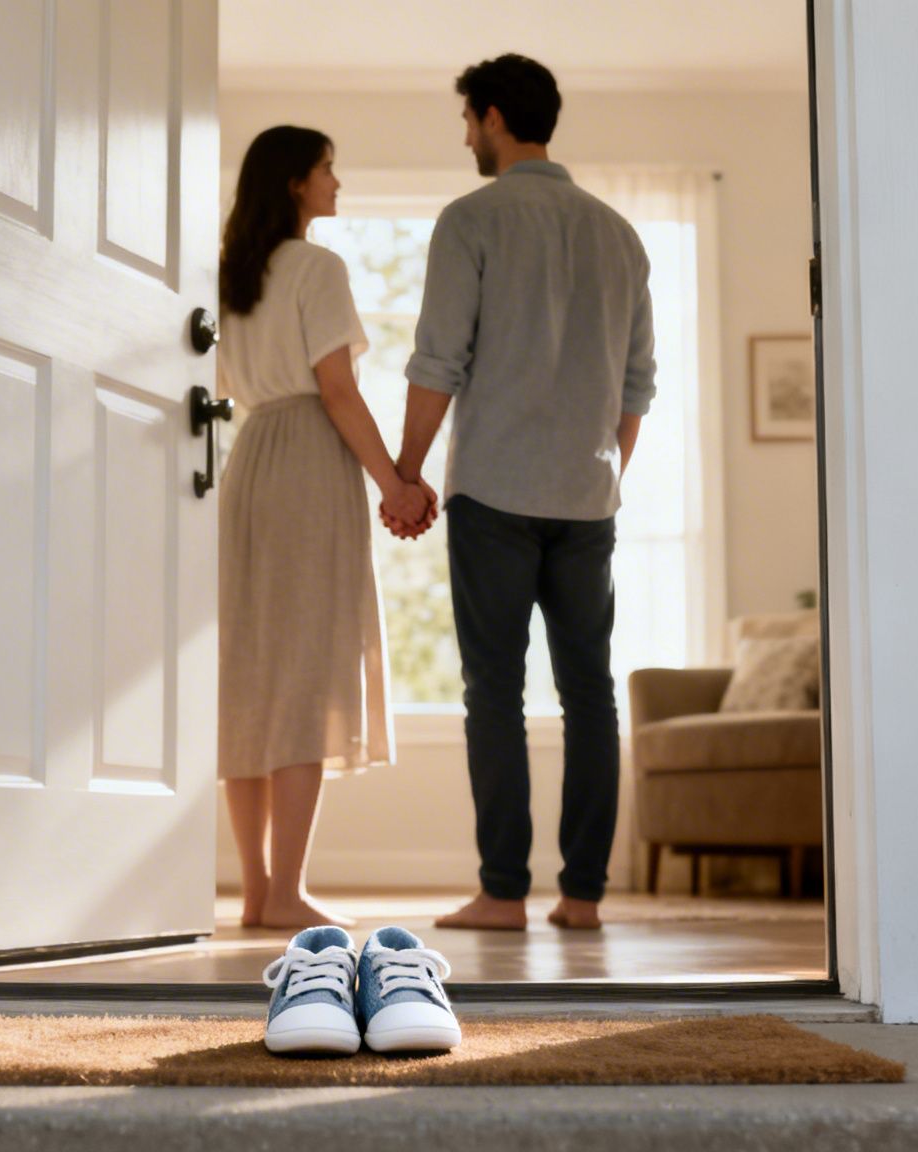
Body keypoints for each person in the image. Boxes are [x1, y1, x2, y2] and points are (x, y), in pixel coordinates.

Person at [389, 55, 656, 932]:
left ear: (496, 117)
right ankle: (582, 898)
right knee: (591, 694)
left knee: (494, 691)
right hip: (589, 498)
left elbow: (438, 360)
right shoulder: (619, 234)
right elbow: (636, 386)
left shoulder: (472, 219)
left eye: (468, 119)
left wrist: (405, 471)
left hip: (496, 493)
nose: (466, 135)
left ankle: (502, 893)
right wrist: (605, 473)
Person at [217, 126, 440, 930]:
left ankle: (254, 890)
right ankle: (287, 893)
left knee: (250, 680)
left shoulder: (230, 275)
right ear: (293, 184)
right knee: (304, 676)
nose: (336, 184)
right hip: (308, 460)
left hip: (248, 463)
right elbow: (338, 393)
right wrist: (397, 486)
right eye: (326, 171)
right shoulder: (317, 267)